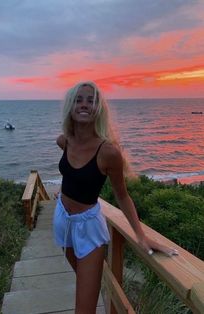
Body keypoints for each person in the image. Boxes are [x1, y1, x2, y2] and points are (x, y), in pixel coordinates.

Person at [53, 81, 178, 314]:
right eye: (79, 99)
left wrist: (141, 236)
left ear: (98, 109)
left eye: (91, 100)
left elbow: (122, 196)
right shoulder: (65, 141)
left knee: (84, 309)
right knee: (81, 280)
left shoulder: (108, 152)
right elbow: (72, 174)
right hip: (63, 221)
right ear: (70, 106)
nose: (84, 104)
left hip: (89, 229)